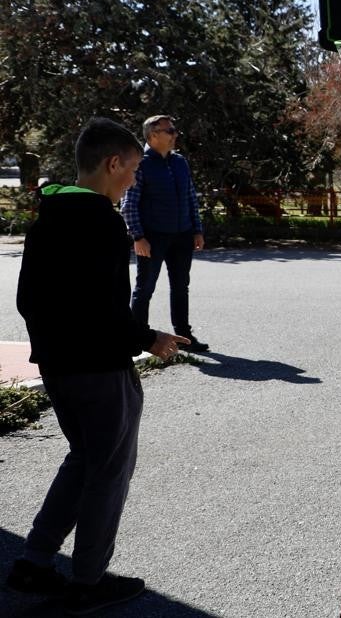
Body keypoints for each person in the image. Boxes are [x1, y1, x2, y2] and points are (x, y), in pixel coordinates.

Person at [7, 118, 187, 615]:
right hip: (100, 370)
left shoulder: (49, 215)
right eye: (131, 170)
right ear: (113, 164)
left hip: (59, 365)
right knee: (108, 471)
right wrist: (148, 338)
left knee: (83, 458)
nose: (133, 180)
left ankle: (35, 558)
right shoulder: (104, 222)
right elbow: (106, 308)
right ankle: (88, 579)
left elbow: (28, 299)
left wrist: (54, 343)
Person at [120, 115, 209, 352]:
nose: (175, 134)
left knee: (181, 286)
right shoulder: (140, 163)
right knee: (145, 287)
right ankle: (137, 338)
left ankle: (184, 336)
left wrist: (197, 230)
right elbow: (129, 203)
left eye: (174, 130)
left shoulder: (180, 162)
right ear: (153, 135)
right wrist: (138, 236)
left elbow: (190, 197)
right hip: (152, 237)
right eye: (169, 131)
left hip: (182, 235)